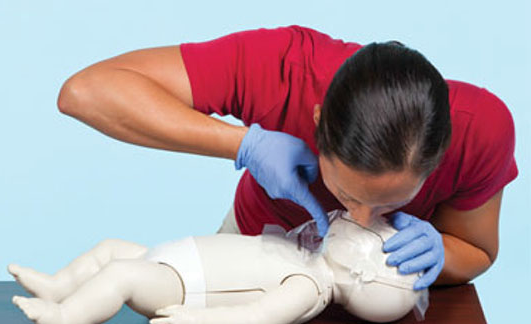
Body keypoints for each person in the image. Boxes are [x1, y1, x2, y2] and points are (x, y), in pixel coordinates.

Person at [56, 25, 518, 291]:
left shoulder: (482, 129)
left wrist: (441, 255)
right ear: (317, 123)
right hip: (255, 251)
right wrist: (242, 145)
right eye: (346, 193)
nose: (355, 218)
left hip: (382, 280)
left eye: (389, 204)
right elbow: (86, 93)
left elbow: (476, 250)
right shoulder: (285, 69)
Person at [8, 210, 425, 324]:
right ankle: (58, 287)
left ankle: (65, 317)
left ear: (363, 270)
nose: (364, 218)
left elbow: (255, 317)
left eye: (374, 232)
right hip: (175, 257)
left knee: (120, 276)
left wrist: (195, 319)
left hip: (182, 286)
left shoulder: (308, 285)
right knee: (111, 250)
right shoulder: (309, 253)